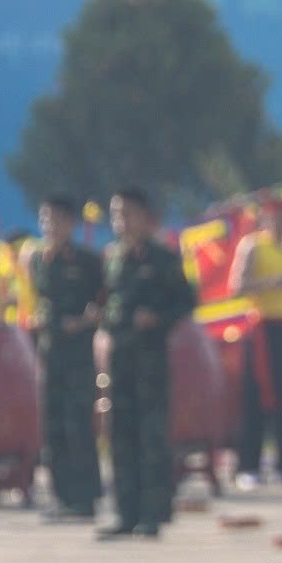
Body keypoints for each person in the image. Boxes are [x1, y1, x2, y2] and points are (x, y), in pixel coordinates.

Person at [97, 189, 197, 540]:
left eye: (127, 213)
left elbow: (186, 301)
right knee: (120, 436)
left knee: (152, 436)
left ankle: (154, 513)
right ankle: (126, 513)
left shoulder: (163, 259)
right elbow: (105, 300)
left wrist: (157, 318)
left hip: (150, 358)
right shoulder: (112, 258)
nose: (120, 220)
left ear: (144, 216)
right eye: (115, 213)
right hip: (119, 358)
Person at [26, 196, 106, 521]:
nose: (49, 226)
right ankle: (62, 497)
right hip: (49, 352)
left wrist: (87, 320)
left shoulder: (88, 260)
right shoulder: (37, 261)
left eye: (56, 220)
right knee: (53, 425)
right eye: (45, 220)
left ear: (70, 223)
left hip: (78, 354)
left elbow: (105, 301)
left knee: (78, 425)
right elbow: (40, 299)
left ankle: (85, 498)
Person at [228, 194, 282, 487]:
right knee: (255, 397)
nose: (279, 220)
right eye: (273, 214)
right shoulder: (252, 246)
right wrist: (270, 284)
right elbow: (237, 286)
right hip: (261, 328)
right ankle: (248, 465)